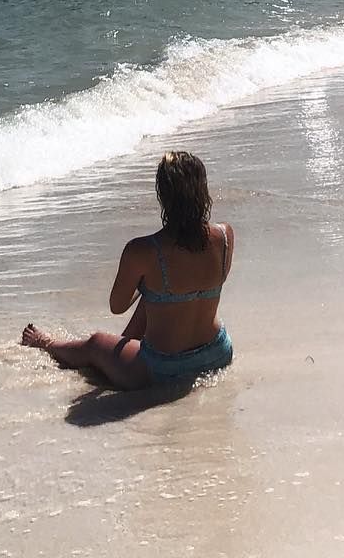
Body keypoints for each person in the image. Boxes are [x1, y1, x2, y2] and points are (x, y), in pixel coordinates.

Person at [21, 151, 234, 390]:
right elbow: (205, 281)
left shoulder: (143, 250)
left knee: (95, 343)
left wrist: (143, 284)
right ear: (202, 189)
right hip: (217, 353)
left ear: (163, 195)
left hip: (164, 368)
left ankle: (46, 343)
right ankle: (123, 346)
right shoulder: (225, 235)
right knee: (160, 296)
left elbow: (118, 306)